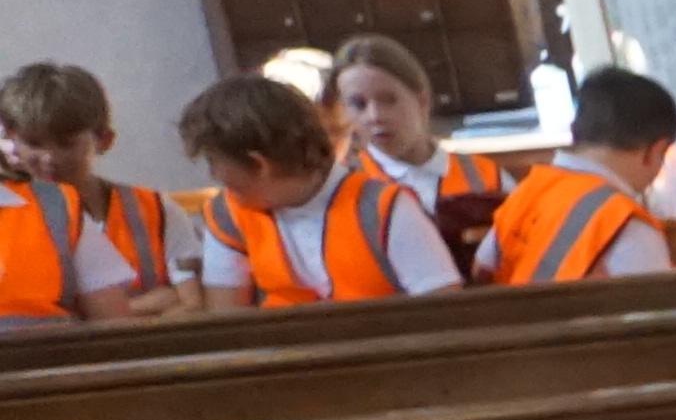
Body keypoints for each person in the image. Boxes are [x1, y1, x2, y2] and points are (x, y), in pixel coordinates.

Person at [176, 76, 458, 307]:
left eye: (213, 161)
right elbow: (229, 326)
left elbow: (445, 313)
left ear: (259, 164)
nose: (213, 175)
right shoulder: (227, 215)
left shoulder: (386, 208)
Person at [0, 63, 178, 325]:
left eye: (66, 144)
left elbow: (188, 301)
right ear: (12, 141)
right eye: (34, 143)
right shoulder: (28, 214)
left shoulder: (155, 209)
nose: (49, 158)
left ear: (104, 140)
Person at [481, 70, 676, 281]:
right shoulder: (626, 225)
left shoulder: (525, 194)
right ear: (655, 152)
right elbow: (655, 301)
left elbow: (481, 270)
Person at [327, 33, 508, 232]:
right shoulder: (344, 190)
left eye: (389, 100)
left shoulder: (485, 176)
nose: (375, 116)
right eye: (358, 104)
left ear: (422, 101)